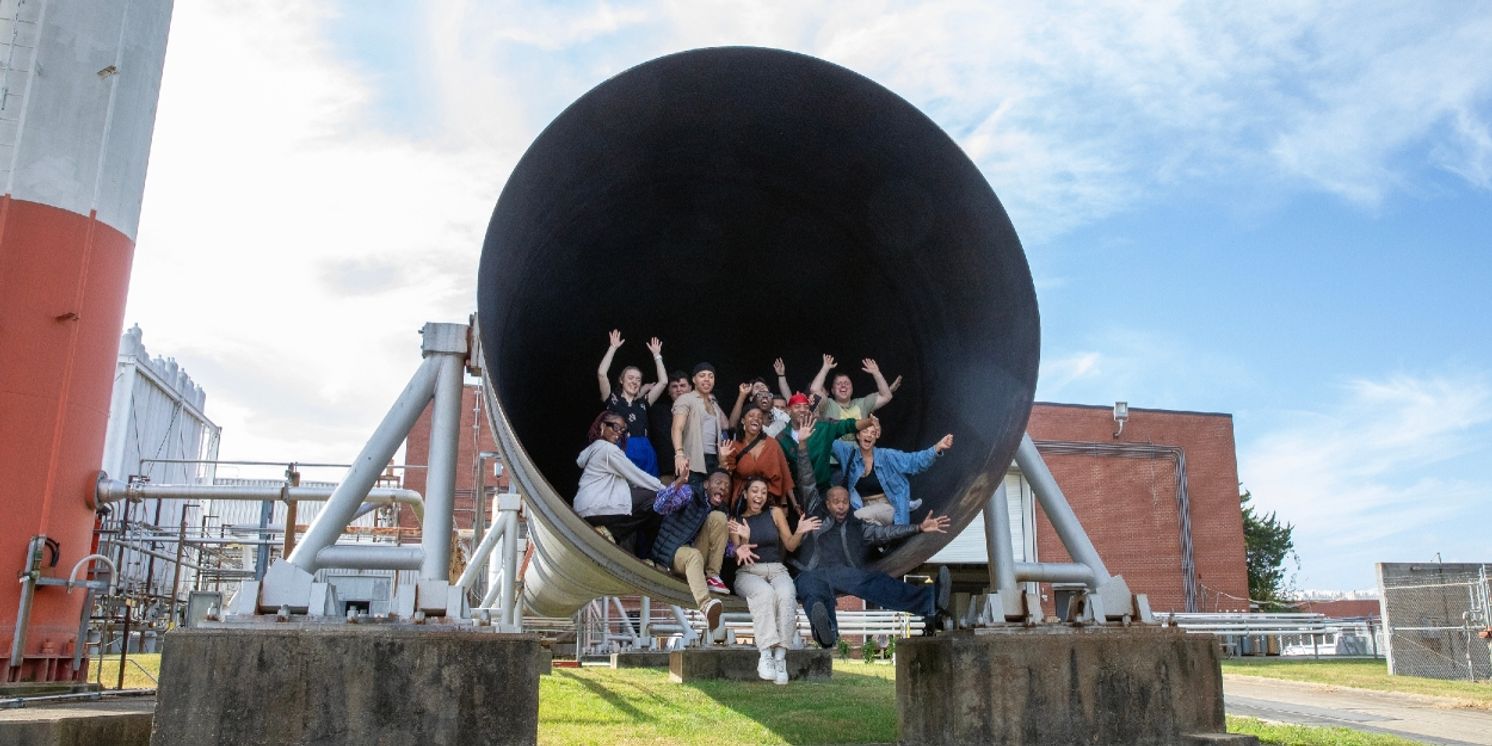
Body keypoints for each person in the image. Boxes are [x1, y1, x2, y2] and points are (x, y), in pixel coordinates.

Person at [786, 416, 954, 648]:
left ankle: (930, 600)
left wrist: (918, 528)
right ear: (826, 503)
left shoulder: (855, 524)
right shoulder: (815, 509)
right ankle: (827, 633)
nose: (841, 505)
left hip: (840, 573)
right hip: (808, 571)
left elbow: (883, 534)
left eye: (845, 501)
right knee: (814, 593)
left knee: (874, 581)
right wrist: (802, 446)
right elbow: (806, 478)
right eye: (836, 501)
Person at [729, 477, 820, 685]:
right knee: (765, 594)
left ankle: (780, 657)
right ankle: (765, 655)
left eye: (763, 492)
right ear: (745, 494)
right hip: (748, 573)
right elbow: (740, 555)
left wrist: (799, 531)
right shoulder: (736, 521)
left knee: (787, 594)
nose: (759, 496)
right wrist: (745, 538)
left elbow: (789, 545)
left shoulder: (775, 513)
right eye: (754, 491)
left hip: (777, 569)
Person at [650, 469, 732, 635]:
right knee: (694, 556)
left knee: (719, 518)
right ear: (707, 484)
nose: (723, 488)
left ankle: (712, 577)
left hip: (694, 558)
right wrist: (677, 484)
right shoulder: (689, 492)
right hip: (670, 555)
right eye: (718, 483)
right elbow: (659, 507)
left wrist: (740, 547)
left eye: (726, 486)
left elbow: (723, 548)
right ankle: (705, 605)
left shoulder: (720, 509)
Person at [574, 411, 667, 558]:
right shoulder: (608, 450)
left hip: (585, 510)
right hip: (600, 510)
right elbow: (637, 475)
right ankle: (612, 533)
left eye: (623, 430)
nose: (619, 433)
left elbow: (629, 481)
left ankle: (620, 545)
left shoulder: (593, 449)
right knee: (656, 500)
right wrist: (666, 490)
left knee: (638, 503)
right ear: (603, 426)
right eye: (616, 427)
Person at [833, 421, 954, 525]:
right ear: (858, 435)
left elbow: (914, 461)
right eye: (865, 431)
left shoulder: (887, 456)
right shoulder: (848, 454)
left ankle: (890, 530)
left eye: (873, 433)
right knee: (849, 522)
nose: (869, 435)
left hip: (888, 506)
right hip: (863, 506)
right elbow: (827, 435)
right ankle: (883, 536)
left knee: (856, 518)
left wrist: (936, 448)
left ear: (876, 437)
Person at [596, 330, 669, 475]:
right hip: (620, 447)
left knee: (648, 491)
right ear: (621, 380)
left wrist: (657, 355)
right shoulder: (612, 399)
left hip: (645, 450)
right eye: (630, 378)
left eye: (638, 379)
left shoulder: (643, 402)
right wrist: (613, 348)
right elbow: (602, 373)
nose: (634, 381)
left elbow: (663, 381)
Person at [775, 391, 876, 494]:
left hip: (823, 489)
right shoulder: (781, 438)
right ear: (788, 410)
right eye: (797, 407)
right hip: (799, 492)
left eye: (805, 407)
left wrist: (869, 422)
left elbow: (848, 425)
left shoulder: (823, 426)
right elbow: (782, 473)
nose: (802, 410)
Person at [720, 408, 797, 514]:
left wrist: (791, 504)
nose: (756, 418)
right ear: (743, 421)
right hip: (742, 501)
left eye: (760, 417)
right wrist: (723, 458)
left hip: (769, 499)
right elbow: (726, 476)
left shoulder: (772, 444)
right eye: (751, 415)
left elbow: (784, 475)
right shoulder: (734, 446)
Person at [671, 362, 726, 488]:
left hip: (713, 460)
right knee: (691, 500)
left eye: (711, 376)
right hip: (693, 460)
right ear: (694, 380)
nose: (707, 379)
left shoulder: (713, 403)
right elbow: (676, 428)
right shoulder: (685, 399)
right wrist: (679, 455)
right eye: (702, 375)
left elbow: (726, 426)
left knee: (710, 501)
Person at [809, 355, 895, 431]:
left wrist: (877, 373)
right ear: (832, 391)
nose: (843, 386)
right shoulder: (827, 404)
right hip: (834, 448)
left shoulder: (862, 403)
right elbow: (814, 390)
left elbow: (886, 396)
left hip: (858, 449)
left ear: (852, 388)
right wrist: (825, 369)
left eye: (847, 383)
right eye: (838, 384)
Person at [649, 370, 692, 477]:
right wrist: (644, 390)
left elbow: (726, 425)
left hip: (694, 472)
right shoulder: (657, 411)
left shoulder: (699, 409)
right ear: (668, 390)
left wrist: (710, 399)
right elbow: (636, 409)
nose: (679, 389)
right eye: (674, 386)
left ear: (690, 388)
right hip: (667, 472)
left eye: (682, 386)